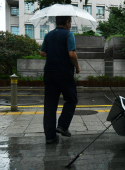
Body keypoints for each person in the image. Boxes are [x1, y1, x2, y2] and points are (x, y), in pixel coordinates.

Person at [40, 16, 81, 144]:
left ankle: (50, 137)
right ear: (67, 22)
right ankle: (62, 126)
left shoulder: (48, 35)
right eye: (70, 22)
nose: (70, 25)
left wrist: (54, 52)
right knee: (71, 99)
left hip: (49, 73)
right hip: (64, 73)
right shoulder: (69, 35)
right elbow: (72, 54)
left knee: (50, 104)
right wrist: (77, 66)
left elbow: (42, 53)